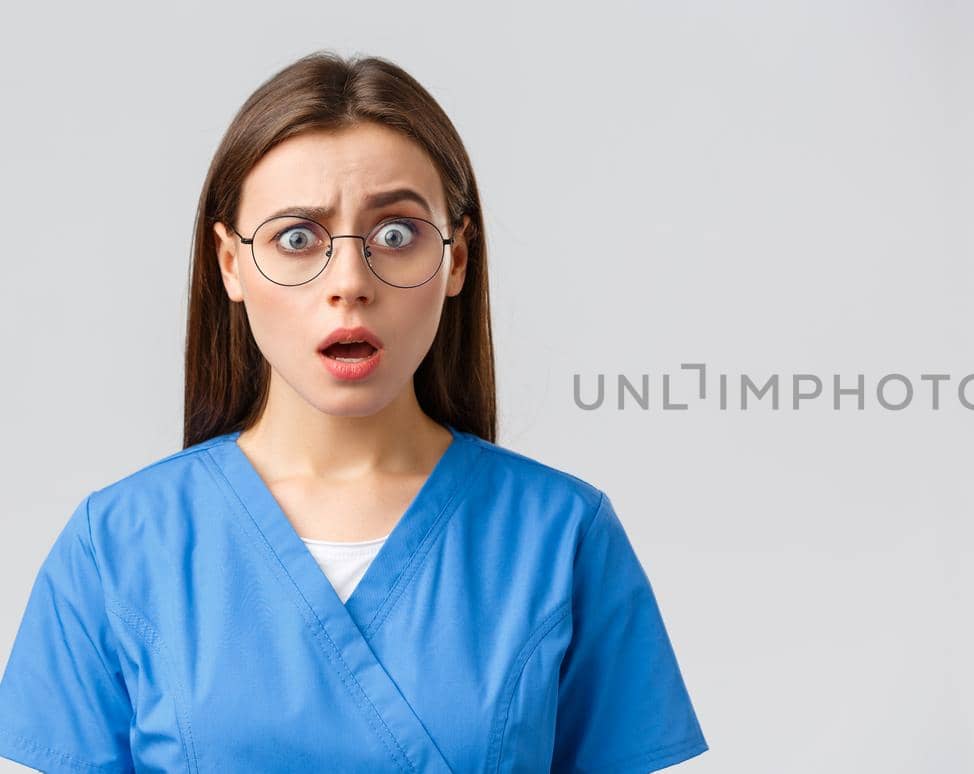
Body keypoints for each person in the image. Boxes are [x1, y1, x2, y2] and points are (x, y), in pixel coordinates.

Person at [0, 50, 708, 773]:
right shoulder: (118, 545)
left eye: (396, 235)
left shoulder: (561, 537)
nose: (349, 282)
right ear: (230, 264)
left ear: (457, 258)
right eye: (296, 238)